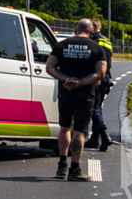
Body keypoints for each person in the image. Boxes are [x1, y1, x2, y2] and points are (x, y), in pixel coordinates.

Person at [46, 19, 108, 181]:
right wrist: (80, 82)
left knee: (65, 127)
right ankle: (75, 169)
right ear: (92, 31)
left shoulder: (62, 45)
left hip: (65, 92)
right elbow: (100, 73)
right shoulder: (97, 48)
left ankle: (61, 166)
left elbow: (50, 67)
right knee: (79, 131)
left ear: (76, 29)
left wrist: (66, 79)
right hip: (85, 94)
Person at [88, 19, 115, 151]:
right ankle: (94, 139)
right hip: (105, 77)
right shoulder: (107, 41)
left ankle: (105, 136)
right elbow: (109, 63)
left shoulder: (93, 41)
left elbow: (91, 60)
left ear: (93, 28)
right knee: (97, 107)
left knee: (94, 108)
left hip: (96, 77)